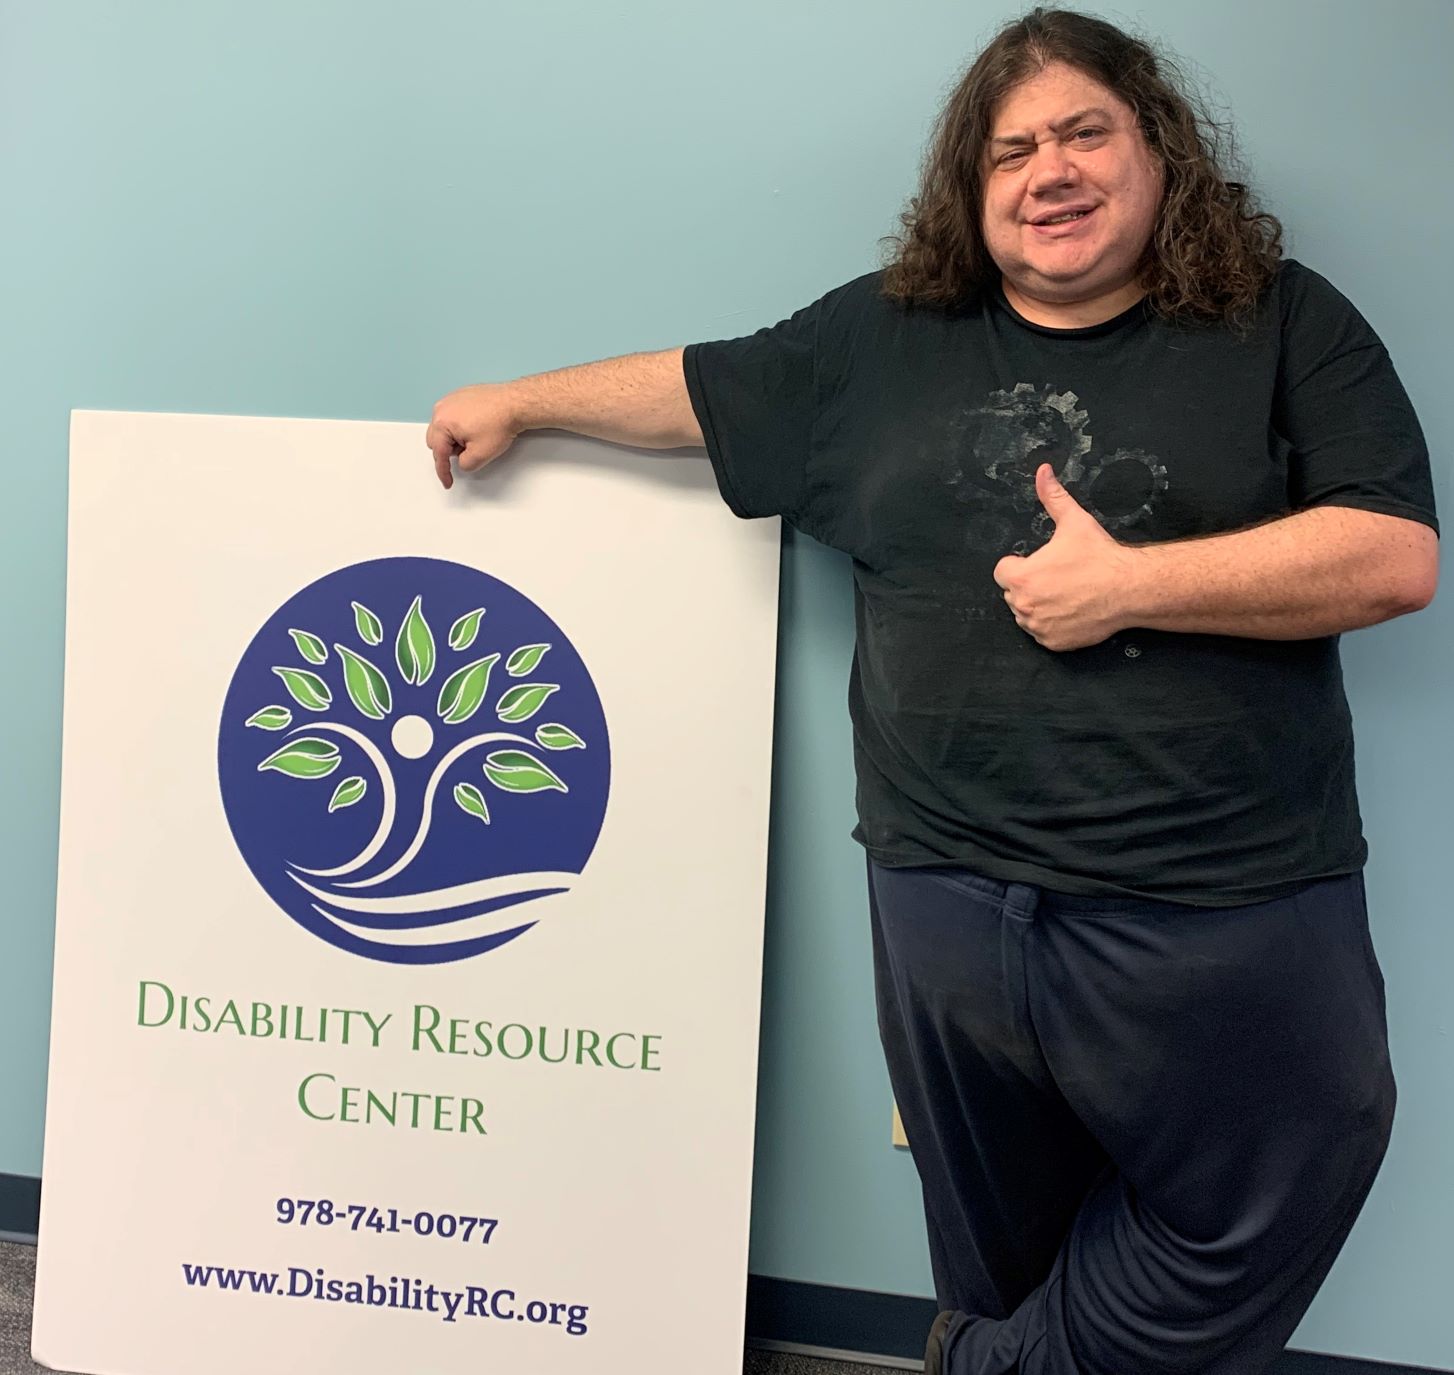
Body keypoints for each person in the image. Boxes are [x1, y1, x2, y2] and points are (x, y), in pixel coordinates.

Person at [425, 9, 1439, 1372]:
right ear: (972, 191)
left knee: (1291, 1164)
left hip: (1222, 894)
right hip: (943, 895)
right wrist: (523, 402)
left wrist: (1132, 585)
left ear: (1159, 152)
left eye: (1084, 132)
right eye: (1010, 150)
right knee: (996, 1250)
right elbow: (703, 390)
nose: (1049, 170)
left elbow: (1390, 555)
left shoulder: (1281, 320)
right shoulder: (883, 336)